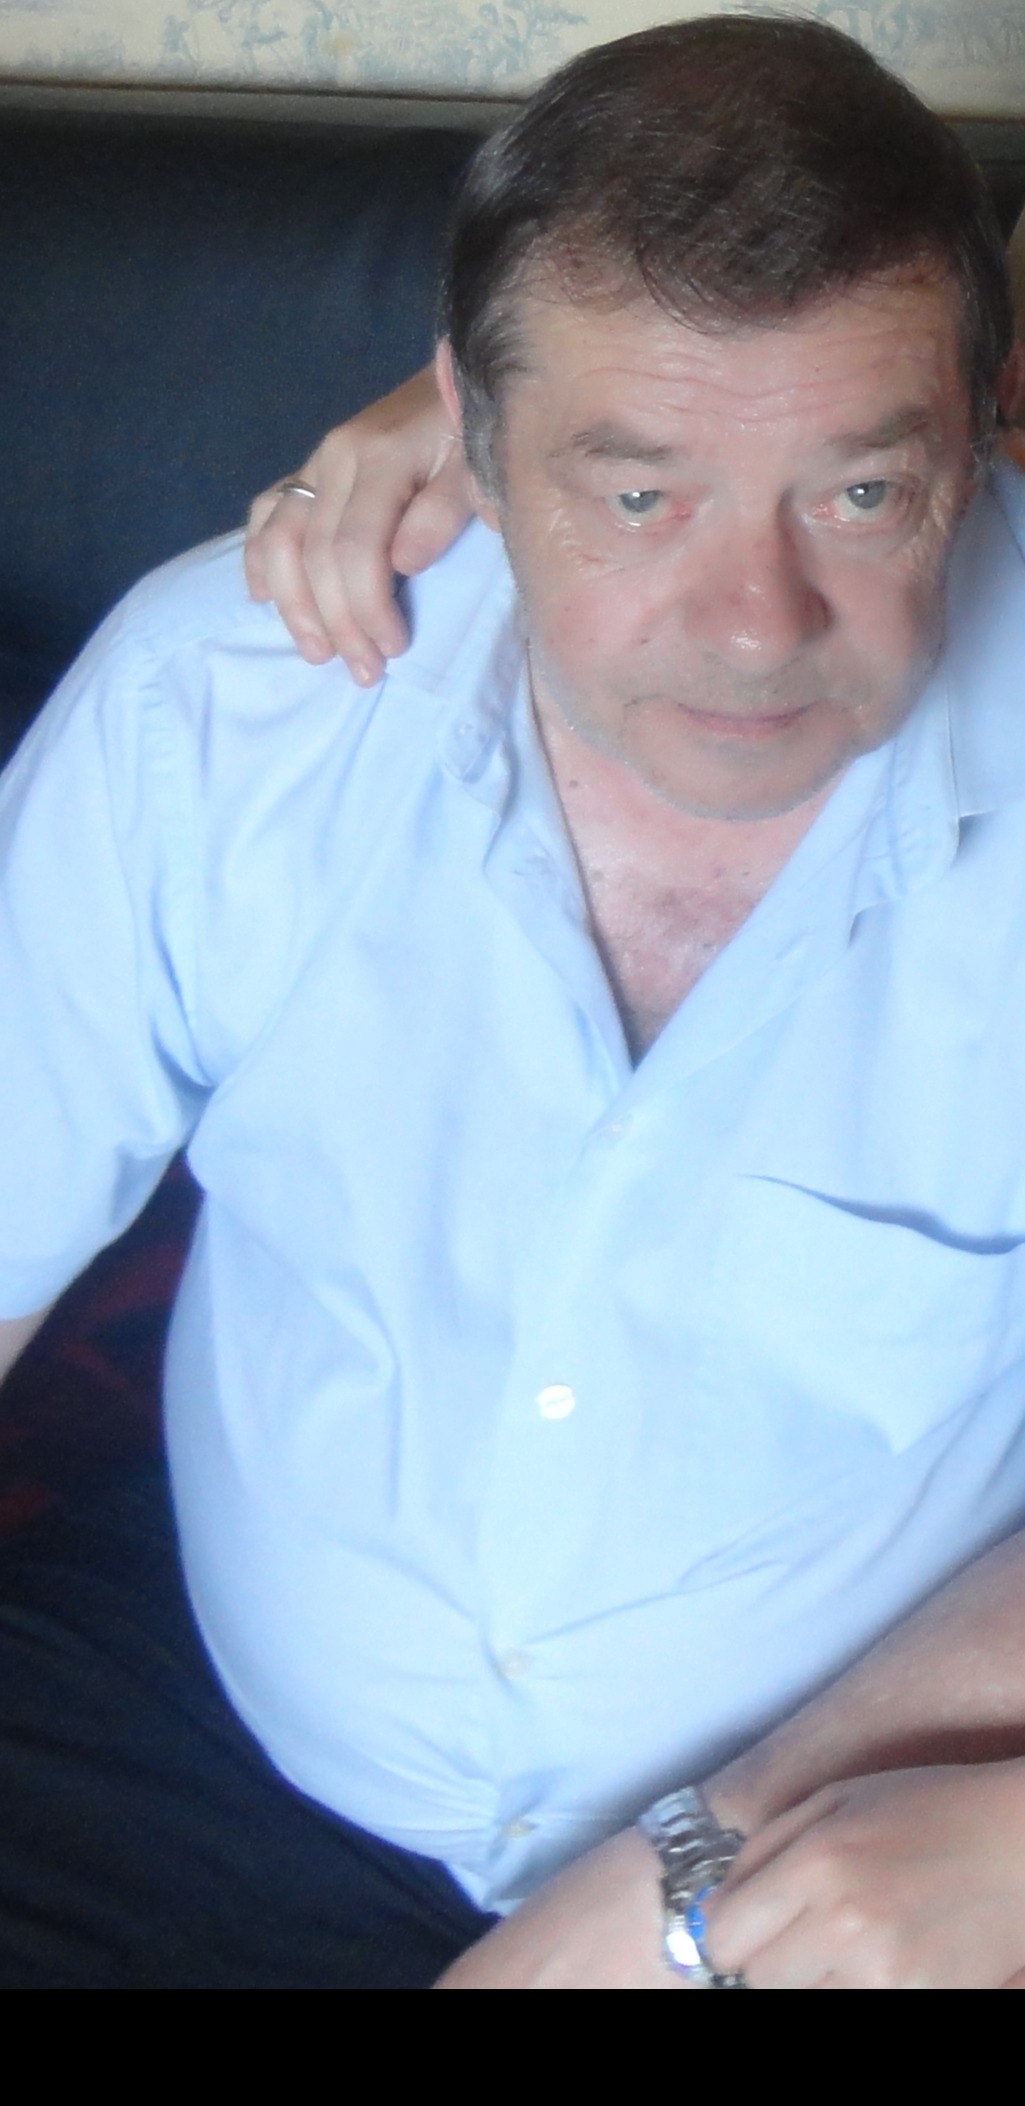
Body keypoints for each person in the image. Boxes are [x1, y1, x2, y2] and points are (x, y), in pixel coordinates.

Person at [4, 15, 1025, 1990]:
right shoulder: (215, 707)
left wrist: (692, 1882)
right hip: (214, 1734)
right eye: (638, 499)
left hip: (858, 1823)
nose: (755, 628)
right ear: (467, 442)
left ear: (980, 430)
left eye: (861, 494)